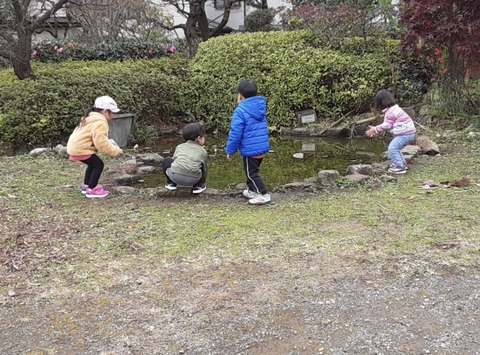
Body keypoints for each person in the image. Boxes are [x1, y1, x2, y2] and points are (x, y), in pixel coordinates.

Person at [67, 96, 123, 198]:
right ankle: (92, 189)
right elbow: (101, 144)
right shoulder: (100, 122)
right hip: (81, 149)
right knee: (98, 165)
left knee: (92, 164)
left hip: (74, 147)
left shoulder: (89, 117)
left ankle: (86, 185)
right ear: (105, 111)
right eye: (113, 113)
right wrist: (116, 151)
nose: (113, 116)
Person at [225, 79, 271, 205]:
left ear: (239, 96)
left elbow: (235, 133)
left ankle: (263, 194)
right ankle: (251, 190)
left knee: (252, 174)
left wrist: (230, 150)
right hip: (261, 146)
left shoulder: (240, 111)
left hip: (250, 149)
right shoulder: (259, 107)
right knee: (252, 171)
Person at [366, 89, 416, 174]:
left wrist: (375, 129)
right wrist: (376, 128)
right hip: (408, 132)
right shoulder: (394, 108)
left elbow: (387, 125)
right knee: (396, 148)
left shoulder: (390, 112)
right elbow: (389, 124)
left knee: (392, 148)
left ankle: (399, 167)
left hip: (404, 133)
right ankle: (402, 164)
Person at [162, 122, 208, 194]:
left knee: (167, 160)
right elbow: (205, 169)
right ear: (199, 138)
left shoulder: (180, 146)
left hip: (175, 177)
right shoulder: (202, 150)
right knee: (201, 164)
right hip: (193, 179)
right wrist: (203, 182)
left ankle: (171, 183)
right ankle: (198, 186)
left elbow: (173, 161)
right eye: (204, 136)